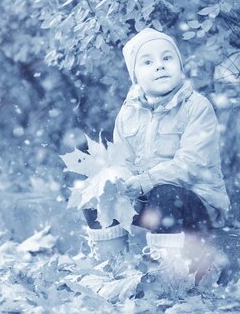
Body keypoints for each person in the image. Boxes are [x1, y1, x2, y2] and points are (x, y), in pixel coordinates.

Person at [83, 28, 230, 271]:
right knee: (97, 194)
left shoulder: (197, 107)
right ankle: (113, 270)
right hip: (148, 202)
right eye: (148, 62)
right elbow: (123, 161)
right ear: (135, 76)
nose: (160, 66)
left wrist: (147, 181)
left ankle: (169, 276)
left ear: (179, 65)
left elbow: (191, 166)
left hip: (194, 204)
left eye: (167, 58)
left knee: (165, 194)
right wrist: (120, 182)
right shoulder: (128, 113)